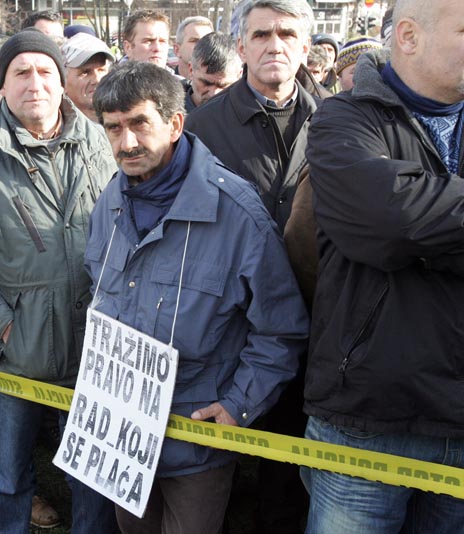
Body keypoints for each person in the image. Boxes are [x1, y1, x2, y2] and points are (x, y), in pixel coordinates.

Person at [89, 58, 308, 534]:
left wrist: (238, 405)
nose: (126, 143)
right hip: (121, 431)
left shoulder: (237, 213)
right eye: (113, 128)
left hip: (197, 439)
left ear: (175, 124)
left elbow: (281, 329)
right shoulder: (110, 200)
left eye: (139, 124)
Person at [0, 30, 119, 534]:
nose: (35, 83)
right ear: (3, 86)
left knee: (92, 474)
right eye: (21, 72)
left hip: (93, 349)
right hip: (10, 353)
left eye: (45, 71)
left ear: (62, 82)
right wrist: (4, 324)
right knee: (6, 475)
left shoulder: (101, 143)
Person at [303, 0, 464, 531]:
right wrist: (409, 223)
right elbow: (387, 221)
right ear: (410, 37)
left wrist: (423, 222)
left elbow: (406, 222)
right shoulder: (342, 117)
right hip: (366, 419)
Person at [184, 1, 317, 532]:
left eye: (287, 33)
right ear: (240, 46)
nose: (274, 44)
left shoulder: (338, 120)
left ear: (306, 47)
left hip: (314, 316)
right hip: (229, 320)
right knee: (216, 466)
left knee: (288, 464)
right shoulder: (202, 127)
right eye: (261, 34)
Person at [61, 32, 114, 122]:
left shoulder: (125, 119)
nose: (97, 80)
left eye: (101, 70)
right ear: (63, 82)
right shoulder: (52, 126)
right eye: (85, 72)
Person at [185, 32, 242, 112]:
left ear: (239, 76)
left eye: (222, 86)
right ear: (191, 70)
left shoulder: (250, 113)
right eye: (206, 83)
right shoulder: (171, 113)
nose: (213, 93)